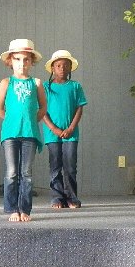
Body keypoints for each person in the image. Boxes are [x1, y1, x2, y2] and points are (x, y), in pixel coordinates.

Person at [0, 38, 47, 222]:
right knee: (12, 172)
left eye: (26, 59)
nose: (22, 63)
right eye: (17, 59)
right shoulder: (6, 82)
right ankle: (12, 209)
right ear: (10, 61)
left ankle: (25, 209)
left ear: (32, 62)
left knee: (26, 173)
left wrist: (30, 121)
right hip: (10, 134)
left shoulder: (36, 83)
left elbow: (43, 107)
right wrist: (13, 121)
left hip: (30, 133)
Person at [42, 49, 87, 209]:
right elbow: (42, 110)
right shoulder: (45, 87)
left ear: (70, 68)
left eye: (65, 65)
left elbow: (79, 108)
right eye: (58, 65)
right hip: (52, 133)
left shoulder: (75, 86)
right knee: (55, 166)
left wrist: (71, 127)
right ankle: (57, 198)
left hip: (71, 133)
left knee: (70, 166)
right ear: (52, 68)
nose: (62, 68)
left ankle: (71, 198)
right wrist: (53, 128)